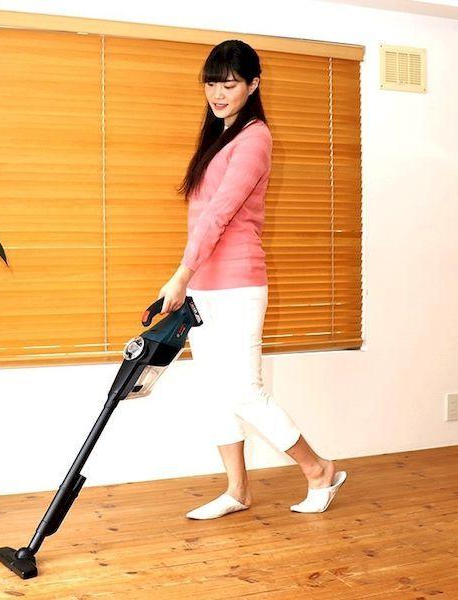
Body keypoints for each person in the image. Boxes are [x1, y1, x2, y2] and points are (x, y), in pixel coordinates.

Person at [157, 40, 347, 519]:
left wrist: (180, 274)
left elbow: (219, 214)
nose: (218, 94)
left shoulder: (254, 138)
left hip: (238, 285)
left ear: (253, 85)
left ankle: (319, 470)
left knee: (244, 390)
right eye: (211, 83)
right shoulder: (220, 137)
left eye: (229, 84)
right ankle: (237, 490)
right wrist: (189, 278)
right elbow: (203, 217)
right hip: (205, 285)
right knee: (214, 391)